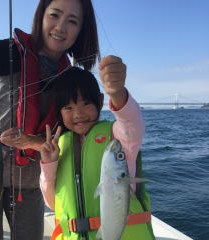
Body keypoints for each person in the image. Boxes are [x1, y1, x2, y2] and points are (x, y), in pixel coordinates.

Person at [0, 0, 100, 239]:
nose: (60, 27)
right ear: (41, 17)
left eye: (72, 21)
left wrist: (34, 143)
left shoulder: (71, 78)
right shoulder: (13, 52)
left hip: (29, 179)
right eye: (54, 15)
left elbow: (70, 131)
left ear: (82, 30)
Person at [39, 65, 155, 239]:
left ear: (100, 101)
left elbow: (131, 123)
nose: (78, 114)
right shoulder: (60, 146)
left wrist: (117, 93)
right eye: (68, 108)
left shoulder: (117, 137)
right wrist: (49, 165)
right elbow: (53, 203)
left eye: (85, 103)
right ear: (59, 111)